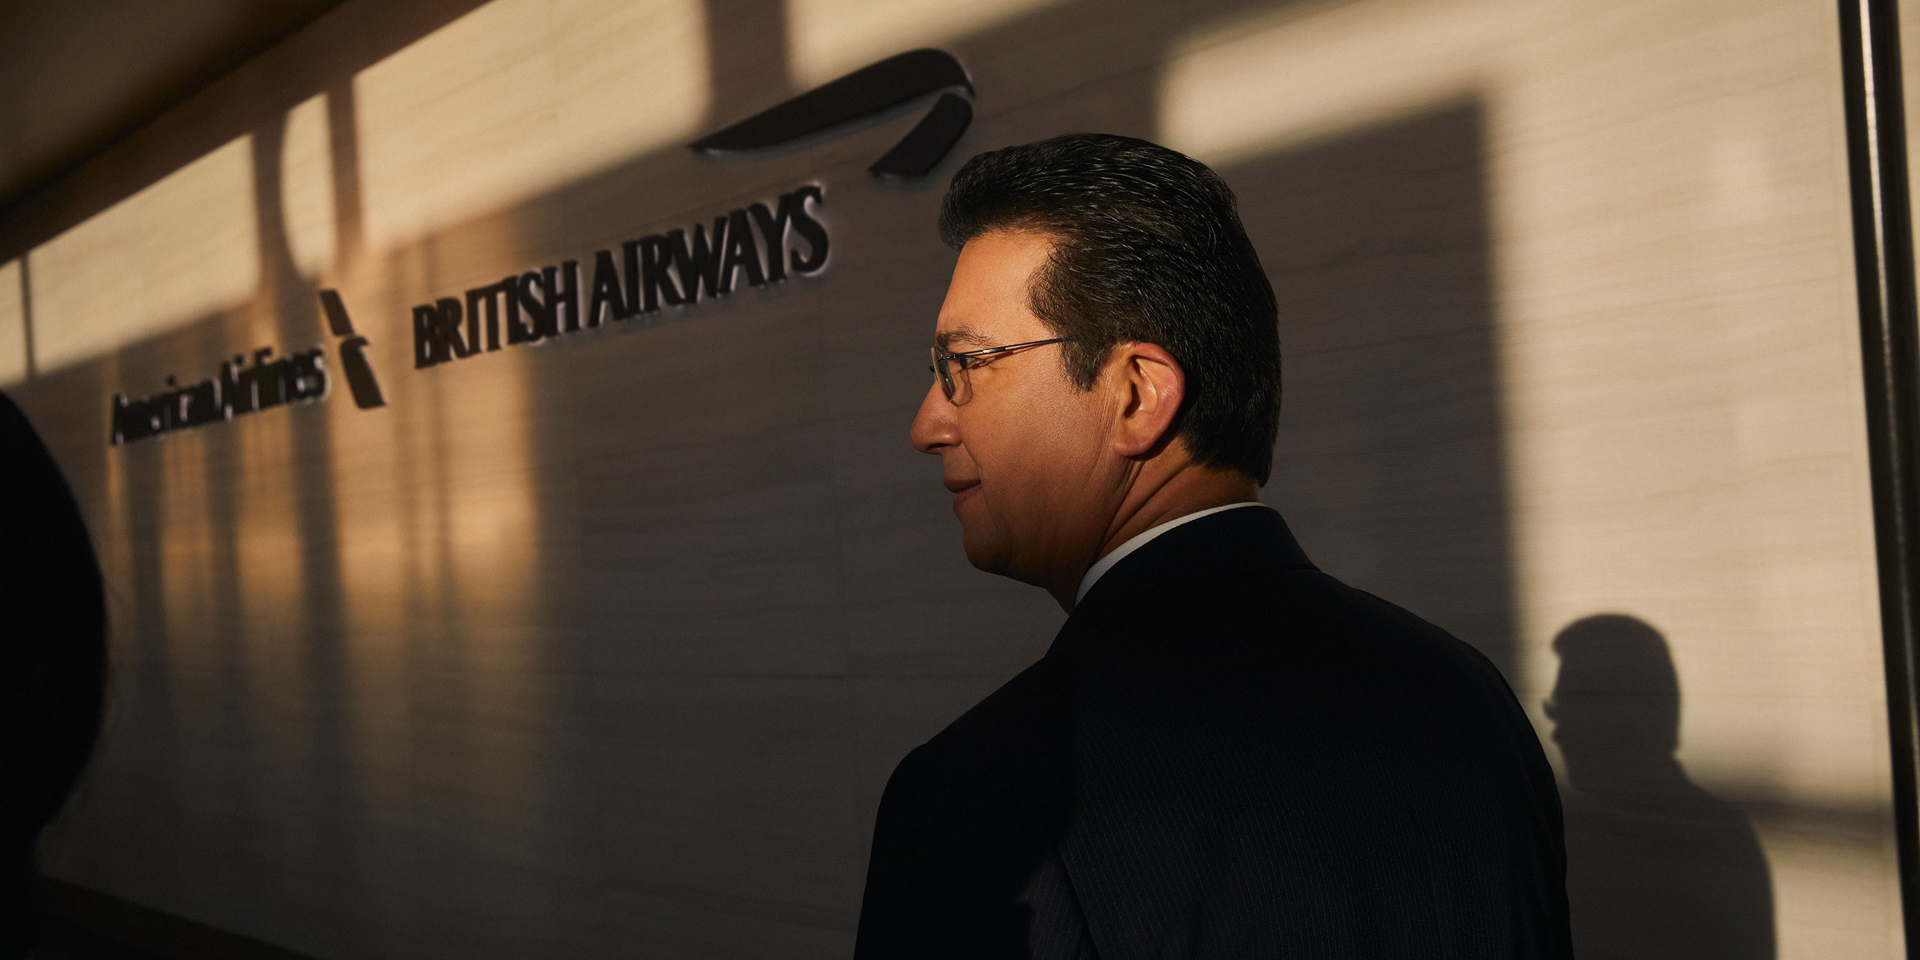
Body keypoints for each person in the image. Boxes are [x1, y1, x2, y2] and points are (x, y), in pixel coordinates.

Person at [854, 134, 1572, 959]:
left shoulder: (986, 793)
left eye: (965, 365)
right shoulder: (1466, 692)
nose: (928, 424)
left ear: (1135, 393)